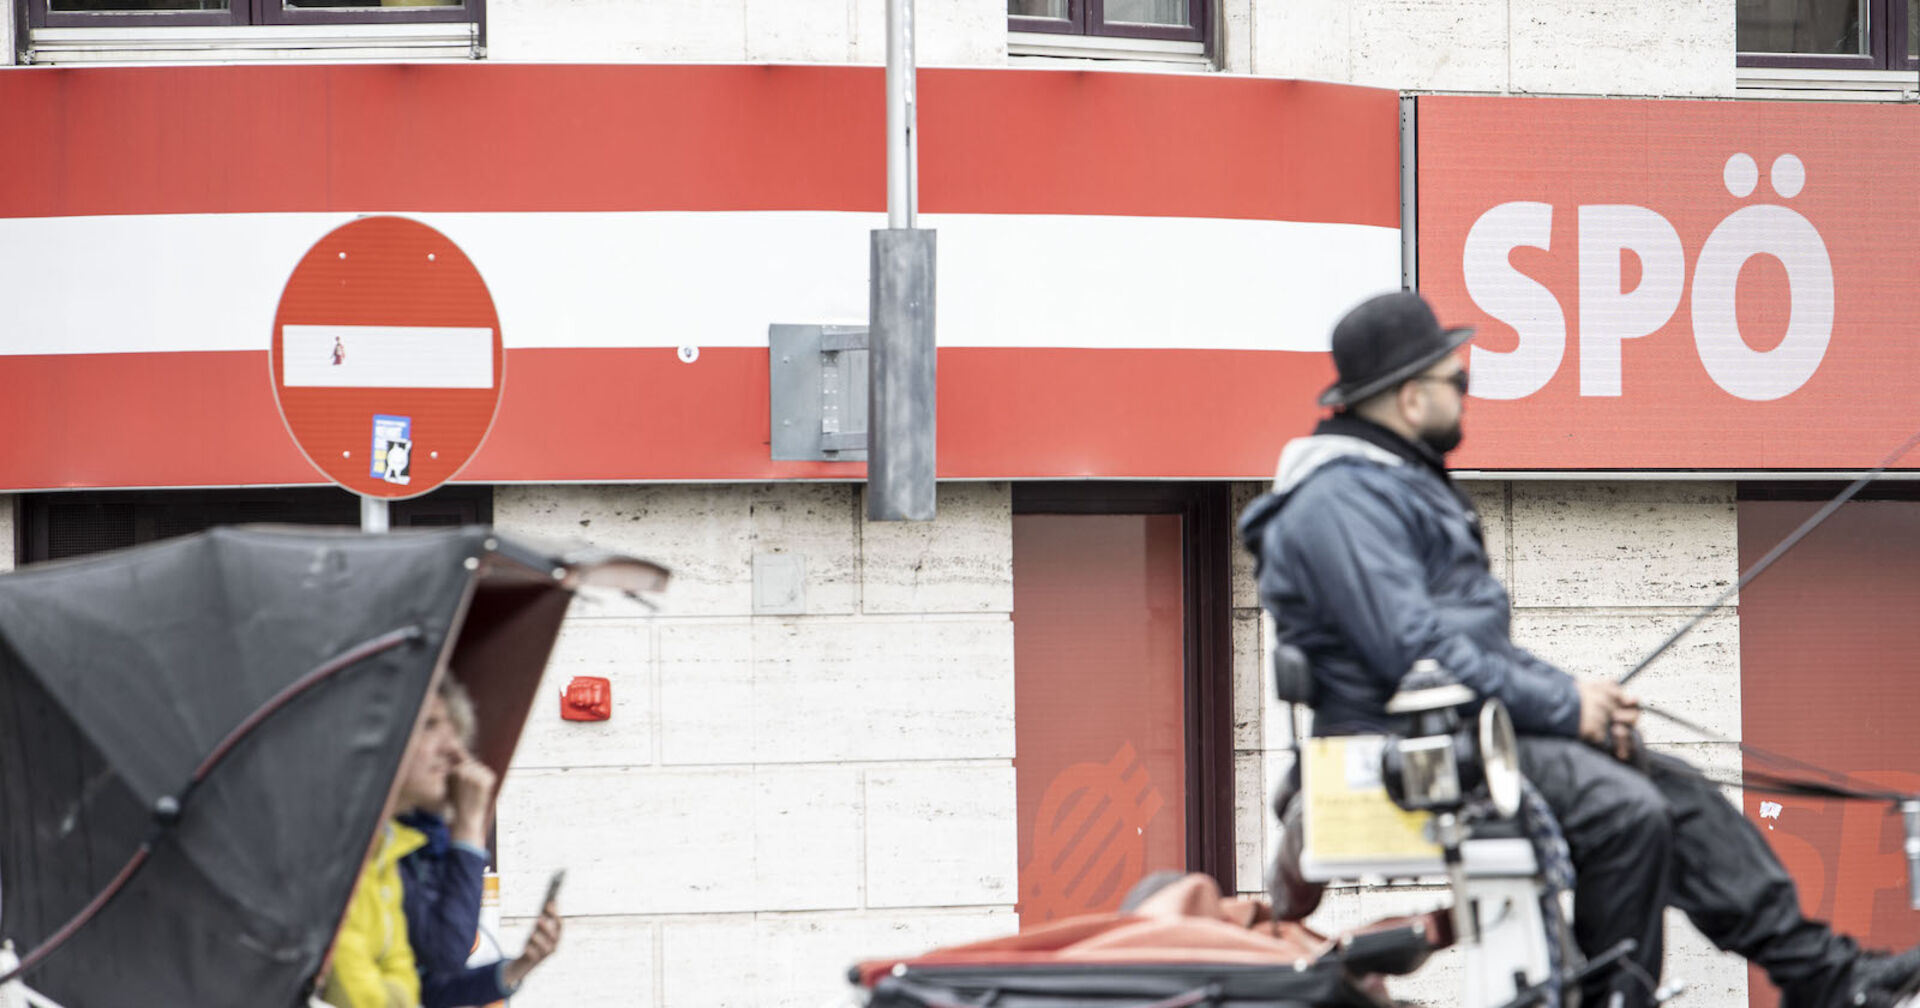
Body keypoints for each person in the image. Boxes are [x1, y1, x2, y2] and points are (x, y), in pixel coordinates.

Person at [1237, 290, 1920, 1008]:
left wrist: (1583, 704)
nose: (1466, 395)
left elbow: (1471, 649)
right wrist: (1564, 707)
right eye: (1457, 380)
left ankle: (1826, 977)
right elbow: (1416, 652)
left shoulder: (1385, 489)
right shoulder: (1339, 503)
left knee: (1680, 793)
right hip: (1400, 752)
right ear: (1411, 398)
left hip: (1458, 734)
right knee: (1625, 811)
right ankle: (1615, 998)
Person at [395, 678, 563, 1007]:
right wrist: (469, 827)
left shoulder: (420, 842)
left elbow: (426, 988)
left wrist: (519, 967)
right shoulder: (380, 852)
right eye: (430, 725)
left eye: (454, 732)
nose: (452, 750)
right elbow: (447, 954)